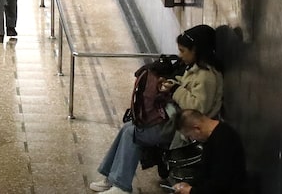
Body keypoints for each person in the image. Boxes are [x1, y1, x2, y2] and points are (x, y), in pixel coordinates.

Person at [91, 25, 224, 194]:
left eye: (183, 51)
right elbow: (186, 88)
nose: (180, 55)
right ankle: (112, 178)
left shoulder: (207, 77)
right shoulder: (197, 69)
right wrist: (172, 84)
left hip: (184, 130)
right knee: (129, 127)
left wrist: (175, 90)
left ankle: (120, 185)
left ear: (196, 50)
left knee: (132, 133)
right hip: (175, 121)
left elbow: (198, 109)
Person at [170, 110, 247, 194]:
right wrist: (188, 185)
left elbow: (220, 185)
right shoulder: (211, 138)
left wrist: (191, 191)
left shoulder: (224, 140)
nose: (192, 139)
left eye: (189, 136)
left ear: (197, 128)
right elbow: (205, 172)